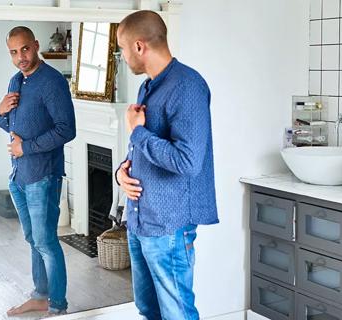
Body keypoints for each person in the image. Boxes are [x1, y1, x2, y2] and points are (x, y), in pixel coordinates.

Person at [115, 10, 219, 320]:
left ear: (139, 46)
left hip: (169, 224)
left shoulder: (187, 86)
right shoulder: (148, 85)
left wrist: (137, 131)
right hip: (141, 220)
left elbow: (187, 161)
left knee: (176, 313)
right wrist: (123, 170)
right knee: (149, 309)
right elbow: (143, 144)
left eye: (121, 48)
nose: (121, 56)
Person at [0, 26, 76, 317]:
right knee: (33, 239)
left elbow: (67, 130)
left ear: (36, 45)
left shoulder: (52, 82)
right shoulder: (16, 80)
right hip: (19, 174)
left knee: (46, 241)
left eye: (25, 49)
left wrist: (25, 148)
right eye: (14, 52)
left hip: (43, 175)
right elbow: (11, 126)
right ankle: (41, 296)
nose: (21, 57)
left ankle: (58, 306)